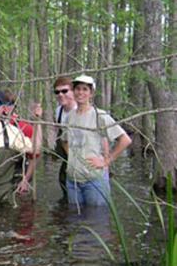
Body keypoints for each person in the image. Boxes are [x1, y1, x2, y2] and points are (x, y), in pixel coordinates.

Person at [63, 75, 131, 207]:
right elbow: (64, 141)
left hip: (94, 181)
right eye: (77, 89)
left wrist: (106, 161)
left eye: (85, 89)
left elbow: (125, 140)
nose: (80, 92)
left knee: (97, 221)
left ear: (91, 93)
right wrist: (72, 159)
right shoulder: (70, 116)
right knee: (75, 222)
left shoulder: (100, 116)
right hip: (72, 181)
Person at [0, 89, 43, 194]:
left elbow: (35, 155)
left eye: (10, 104)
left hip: (17, 178)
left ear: (14, 107)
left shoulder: (24, 127)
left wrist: (25, 180)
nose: (6, 108)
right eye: (2, 104)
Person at [52, 76, 77, 199]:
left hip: (84, 159)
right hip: (68, 157)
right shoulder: (58, 111)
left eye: (65, 91)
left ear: (73, 91)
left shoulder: (80, 110)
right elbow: (61, 135)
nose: (60, 94)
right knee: (63, 182)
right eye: (57, 92)